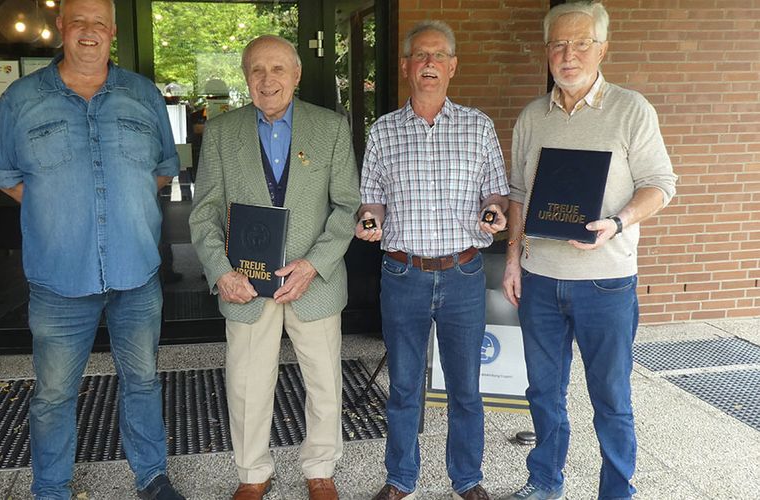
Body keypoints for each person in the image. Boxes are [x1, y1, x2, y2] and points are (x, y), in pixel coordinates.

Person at [0, 0, 185, 498]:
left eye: (100, 23)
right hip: (59, 277)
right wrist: (60, 208)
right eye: (79, 21)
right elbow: (7, 177)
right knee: (54, 393)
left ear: (114, 31)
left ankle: (152, 476)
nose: (89, 32)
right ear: (61, 27)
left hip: (135, 271)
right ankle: (51, 488)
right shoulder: (21, 99)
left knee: (142, 380)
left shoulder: (143, 96)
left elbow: (162, 169)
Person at [501, 3, 677, 499]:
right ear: (547, 52)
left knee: (611, 398)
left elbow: (661, 184)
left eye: (581, 43)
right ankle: (545, 483)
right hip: (539, 279)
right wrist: (513, 260)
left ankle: (617, 491)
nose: (568, 54)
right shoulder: (533, 116)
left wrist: (618, 222)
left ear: (603, 48)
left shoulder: (631, 109)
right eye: (558, 44)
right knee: (543, 393)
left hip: (606, 281)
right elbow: (518, 193)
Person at [188, 35, 360, 500]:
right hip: (245, 285)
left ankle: (320, 468)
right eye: (257, 70)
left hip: (313, 284)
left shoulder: (330, 128)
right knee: (246, 384)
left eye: (278, 69)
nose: (268, 80)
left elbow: (347, 207)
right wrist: (222, 271)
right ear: (246, 77)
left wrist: (313, 264)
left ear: (297, 75)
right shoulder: (222, 133)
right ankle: (252, 473)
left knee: (324, 381)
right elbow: (204, 212)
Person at [356, 20, 509, 500]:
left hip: (463, 272)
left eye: (439, 56)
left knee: (465, 387)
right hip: (403, 273)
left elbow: (496, 193)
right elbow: (371, 199)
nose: (429, 64)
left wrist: (495, 212)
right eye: (420, 56)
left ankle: (467, 478)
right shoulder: (383, 131)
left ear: (452, 66)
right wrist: (369, 220)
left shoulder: (478, 126)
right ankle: (400, 478)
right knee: (403, 387)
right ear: (405, 67)